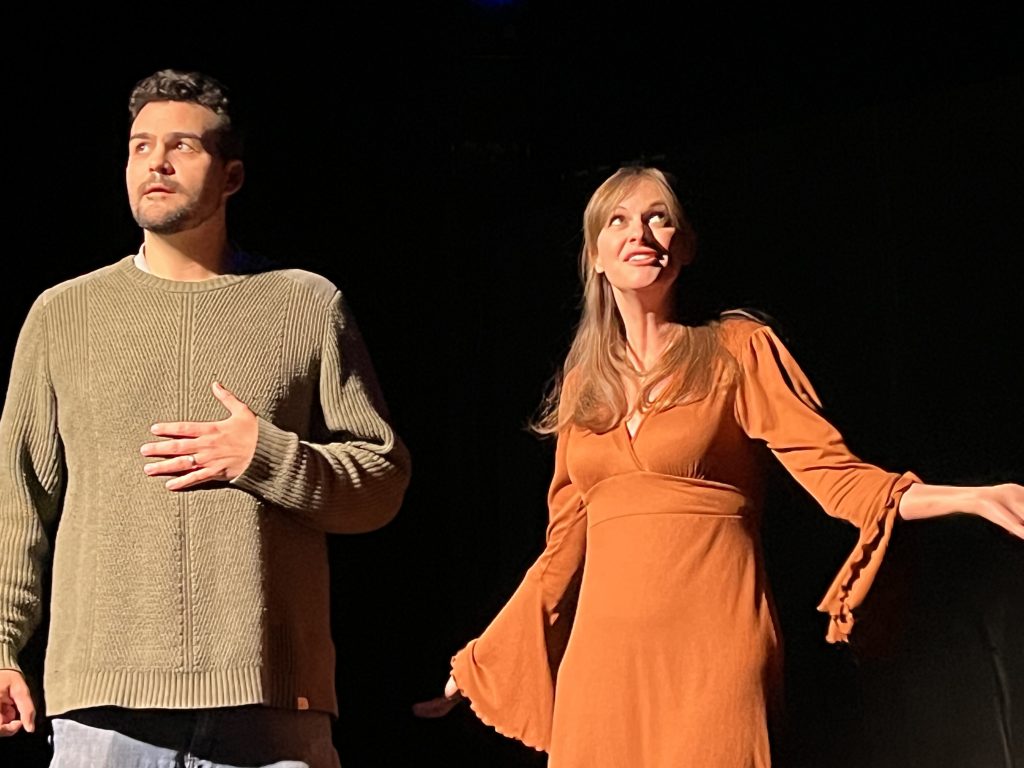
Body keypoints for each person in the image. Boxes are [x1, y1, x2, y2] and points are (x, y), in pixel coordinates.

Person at [412, 165, 1023, 766]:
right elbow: (561, 552)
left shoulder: (738, 349)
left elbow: (833, 473)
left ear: (686, 246)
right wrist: (483, 660)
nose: (641, 233)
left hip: (714, 651)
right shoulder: (585, 389)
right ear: (595, 255)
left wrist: (968, 497)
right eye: (620, 221)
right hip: (602, 667)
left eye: (660, 218)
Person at [0, 68, 411, 767]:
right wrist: (2, 645)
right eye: (139, 146)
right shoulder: (62, 314)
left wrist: (266, 456)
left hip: (267, 705)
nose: (155, 162)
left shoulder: (303, 304)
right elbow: (20, 500)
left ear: (232, 177)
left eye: (182, 146)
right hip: (105, 706)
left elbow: (381, 480)